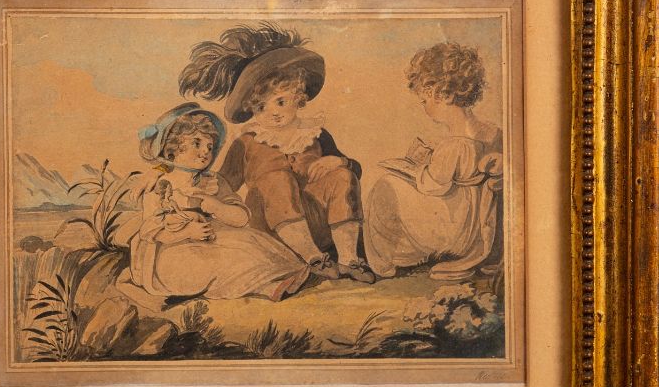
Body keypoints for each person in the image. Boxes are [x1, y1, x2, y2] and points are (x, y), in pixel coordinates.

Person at [179, 22, 375, 284]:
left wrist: (339, 161)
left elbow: (354, 173)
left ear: (299, 96)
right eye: (261, 107)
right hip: (271, 230)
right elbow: (223, 185)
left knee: (342, 175)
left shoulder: (315, 134)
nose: (273, 112)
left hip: (320, 226)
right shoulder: (247, 142)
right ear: (251, 109)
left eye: (281, 101)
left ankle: (349, 259)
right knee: (277, 179)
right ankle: (312, 259)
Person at [128, 103, 310, 301]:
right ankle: (267, 288)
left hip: (211, 238)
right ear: (172, 149)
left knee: (250, 242)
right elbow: (150, 231)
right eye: (196, 143)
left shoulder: (213, 181)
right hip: (171, 251)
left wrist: (217, 207)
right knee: (218, 261)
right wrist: (187, 232)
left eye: (209, 147)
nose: (205, 151)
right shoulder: (159, 184)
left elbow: (241, 218)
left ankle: (281, 277)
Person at [364, 42, 504, 281]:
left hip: (455, 228)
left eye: (425, 101)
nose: (424, 108)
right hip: (474, 225)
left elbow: (432, 185)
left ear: (444, 95)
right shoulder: (491, 132)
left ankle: (387, 263)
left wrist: (416, 167)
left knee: (385, 185)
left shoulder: (454, 144)